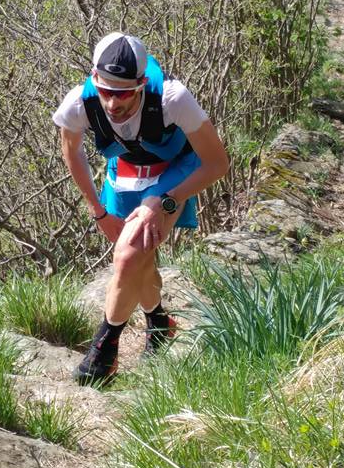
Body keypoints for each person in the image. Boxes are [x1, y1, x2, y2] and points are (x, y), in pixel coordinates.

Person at [53, 32, 229, 383]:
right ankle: (160, 323)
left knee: (129, 254)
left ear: (141, 83)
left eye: (123, 94)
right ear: (94, 79)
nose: (113, 104)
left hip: (173, 174)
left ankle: (103, 352)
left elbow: (217, 163)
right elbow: (71, 153)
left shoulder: (171, 98)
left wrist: (164, 201)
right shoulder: (78, 103)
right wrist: (98, 211)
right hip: (124, 175)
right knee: (138, 258)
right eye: (106, 92)